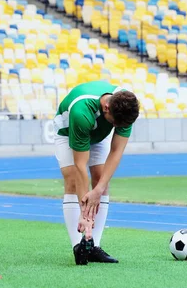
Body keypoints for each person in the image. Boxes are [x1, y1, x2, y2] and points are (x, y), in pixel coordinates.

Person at [52, 80, 140, 265]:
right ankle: (79, 247)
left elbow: (116, 152)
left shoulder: (126, 108)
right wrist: (84, 215)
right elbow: (80, 166)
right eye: (115, 123)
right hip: (68, 130)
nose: (118, 127)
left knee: (102, 181)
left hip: (99, 132)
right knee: (73, 181)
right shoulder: (81, 112)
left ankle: (94, 247)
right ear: (107, 107)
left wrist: (98, 190)